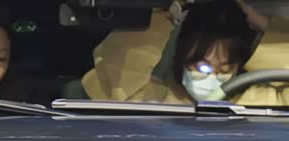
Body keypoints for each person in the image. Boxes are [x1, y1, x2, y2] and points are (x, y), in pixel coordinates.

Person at [81, 0, 289, 105]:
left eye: (225, 69)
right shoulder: (158, 100)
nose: (212, 78)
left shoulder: (257, 102)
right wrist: (166, 11)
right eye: (203, 67)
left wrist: (265, 28)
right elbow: (116, 81)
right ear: (182, 57)